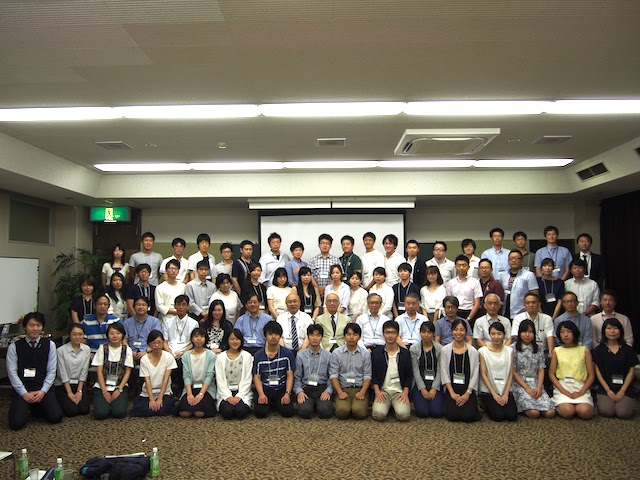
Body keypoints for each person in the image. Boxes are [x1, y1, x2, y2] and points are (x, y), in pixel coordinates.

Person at [7, 312, 63, 430]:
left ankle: (34, 407)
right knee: (16, 424)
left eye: (38, 325)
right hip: (23, 389)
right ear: (25, 327)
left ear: (42, 327)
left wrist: (43, 391)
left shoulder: (50, 345)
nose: (35, 329)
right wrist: (24, 393)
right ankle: (28, 406)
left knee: (56, 417)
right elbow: (12, 373)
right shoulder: (14, 347)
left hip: (41, 387)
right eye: (31, 325)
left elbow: (51, 371)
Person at [592, 318, 638, 419]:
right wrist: (608, 390)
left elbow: (631, 371)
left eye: (615, 328)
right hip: (605, 386)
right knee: (607, 411)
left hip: (625, 387)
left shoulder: (628, 350)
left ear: (620, 331)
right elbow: (598, 371)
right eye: (609, 328)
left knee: (624, 413)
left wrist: (622, 391)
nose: (612, 331)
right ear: (604, 331)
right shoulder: (599, 350)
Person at [549, 321, 595, 419]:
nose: (565, 335)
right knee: (568, 412)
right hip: (563, 386)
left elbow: (591, 375)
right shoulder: (557, 351)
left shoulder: (584, 350)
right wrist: (563, 390)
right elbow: (551, 374)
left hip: (580, 385)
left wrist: (581, 392)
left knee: (585, 412)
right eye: (562, 332)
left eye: (569, 331)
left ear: (574, 333)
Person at [510, 319, 556, 418]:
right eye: (524, 332)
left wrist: (539, 387)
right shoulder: (512, 348)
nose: (527, 335)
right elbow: (513, 371)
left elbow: (541, 369)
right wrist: (527, 388)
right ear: (519, 333)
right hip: (520, 384)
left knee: (550, 413)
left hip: (535, 383)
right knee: (534, 413)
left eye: (530, 332)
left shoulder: (539, 348)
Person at [252, 321, 296, 418]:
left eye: (276, 334)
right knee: (260, 413)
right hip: (265, 388)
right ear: (265, 336)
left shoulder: (287, 354)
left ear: (280, 336)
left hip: (281, 388)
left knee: (288, 412)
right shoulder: (258, 355)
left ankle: (275, 403)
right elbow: (257, 377)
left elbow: (290, 376)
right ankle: (272, 403)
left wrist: (287, 393)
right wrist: (261, 394)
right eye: (270, 334)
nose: (273, 337)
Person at [440, 319, 481, 423]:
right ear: (451, 331)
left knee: (468, 416)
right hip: (452, 388)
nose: (458, 333)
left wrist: (467, 393)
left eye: (462, 330)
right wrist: (452, 393)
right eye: (456, 329)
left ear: (466, 332)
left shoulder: (473, 351)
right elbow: (444, 373)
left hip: (467, 389)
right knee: (452, 416)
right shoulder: (445, 350)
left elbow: (475, 374)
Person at [371, 320, 412, 422]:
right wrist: (377, 392)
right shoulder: (377, 353)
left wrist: (405, 392)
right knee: (379, 415)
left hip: (399, 392)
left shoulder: (405, 353)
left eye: (393, 333)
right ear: (383, 334)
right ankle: (388, 406)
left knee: (404, 415)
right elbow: (374, 375)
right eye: (387, 332)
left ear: (398, 334)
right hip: (383, 392)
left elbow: (409, 375)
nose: (390, 336)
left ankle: (394, 407)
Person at [329, 323, 372, 420]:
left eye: (355, 334)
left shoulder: (365, 353)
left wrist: (362, 392)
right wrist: (340, 392)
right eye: (348, 334)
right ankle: (345, 404)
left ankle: (356, 405)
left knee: (359, 412)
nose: (351, 337)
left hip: (359, 388)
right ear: (344, 337)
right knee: (342, 412)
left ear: (359, 337)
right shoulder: (336, 353)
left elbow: (367, 375)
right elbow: (333, 375)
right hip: (343, 389)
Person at [130, 329, 177, 417]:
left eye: (159, 342)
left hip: (164, 392)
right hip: (148, 392)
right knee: (144, 410)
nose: (157, 345)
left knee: (163, 410)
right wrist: (151, 400)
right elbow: (147, 380)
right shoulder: (144, 359)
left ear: (163, 343)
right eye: (154, 343)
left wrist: (159, 398)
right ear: (149, 344)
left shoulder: (169, 357)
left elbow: (166, 379)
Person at [92, 322, 134, 420]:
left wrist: (119, 389)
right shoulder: (102, 349)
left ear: (122, 335)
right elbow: (99, 371)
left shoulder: (127, 350)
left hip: (119, 385)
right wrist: (104, 391)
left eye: (118, 333)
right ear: (107, 335)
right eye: (112, 333)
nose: (115, 336)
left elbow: (127, 371)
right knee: (100, 414)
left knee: (119, 413)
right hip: (102, 386)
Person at [478, 323, 518, 422]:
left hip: (505, 389)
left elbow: (511, 373)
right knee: (498, 416)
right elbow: (483, 374)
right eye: (493, 334)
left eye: (499, 334)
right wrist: (494, 394)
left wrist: (506, 393)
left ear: (504, 335)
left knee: (511, 416)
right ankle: (483, 403)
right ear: (489, 335)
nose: (496, 337)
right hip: (489, 391)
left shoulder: (509, 351)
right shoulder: (482, 351)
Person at [294, 324, 334, 419]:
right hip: (306, 388)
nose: (315, 338)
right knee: (304, 412)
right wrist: (299, 392)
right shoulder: (301, 356)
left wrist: (328, 391)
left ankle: (319, 405)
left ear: (322, 337)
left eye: (318, 335)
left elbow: (332, 376)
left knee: (325, 412)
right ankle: (311, 405)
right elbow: (297, 378)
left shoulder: (328, 356)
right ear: (308, 337)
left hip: (322, 388)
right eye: (312, 335)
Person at [177, 328, 217, 418]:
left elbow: (209, 375)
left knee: (199, 413)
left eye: (202, 336)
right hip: (190, 388)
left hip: (206, 389)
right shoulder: (186, 356)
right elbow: (186, 375)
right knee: (184, 413)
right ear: (192, 339)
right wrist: (189, 394)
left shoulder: (211, 355)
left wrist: (201, 394)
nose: (199, 339)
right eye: (196, 336)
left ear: (205, 338)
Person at [163, 295, 198, 394]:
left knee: (183, 363)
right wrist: (170, 353)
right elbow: (165, 342)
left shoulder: (194, 323)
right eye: (178, 305)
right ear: (175, 306)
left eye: (184, 305)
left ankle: (182, 390)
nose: (181, 307)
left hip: (186, 351)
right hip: (170, 351)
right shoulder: (168, 322)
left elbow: (193, 343)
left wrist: (183, 353)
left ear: (188, 307)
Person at [215, 329, 254, 420]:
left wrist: (239, 396)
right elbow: (219, 380)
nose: (235, 342)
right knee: (227, 412)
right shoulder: (220, 357)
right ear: (227, 340)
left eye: (237, 339)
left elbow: (248, 379)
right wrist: (228, 396)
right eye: (232, 339)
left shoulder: (247, 356)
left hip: (242, 392)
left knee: (240, 412)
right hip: (225, 392)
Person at [55, 323, 91, 417]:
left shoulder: (86, 349)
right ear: (69, 335)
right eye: (74, 334)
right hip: (63, 385)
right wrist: (70, 393)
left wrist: (79, 391)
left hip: (78, 384)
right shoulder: (61, 350)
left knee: (84, 409)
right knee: (72, 411)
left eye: (80, 334)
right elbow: (62, 373)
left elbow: (84, 371)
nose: (78, 337)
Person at [410, 320, 444, 418]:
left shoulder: (440, 349)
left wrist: (434, 388)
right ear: (420, 333)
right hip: (420, 383)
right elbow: (415, 370)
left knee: (437, 413)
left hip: (435, 382)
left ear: (433, 334)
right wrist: (422, 389)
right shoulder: (414, 348)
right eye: (423, 332)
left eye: (429, 332)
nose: (426, 335)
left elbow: (440, 370)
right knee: (423, 413)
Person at [498, 249, 539, 319]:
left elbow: (535, 295)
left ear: (522, 260)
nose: (513, 260)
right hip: (505, 312)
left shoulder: (529, 275)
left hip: (522, 313)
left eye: (516, 258)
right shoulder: (504, 275)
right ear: (508, 261)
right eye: (511, 259)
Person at [123, 297, 162, 363]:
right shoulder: (127, 322)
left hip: (149, 353)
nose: (141, 307)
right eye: (138, 305)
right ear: (134, 307)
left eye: (143, 305)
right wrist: (130, 352)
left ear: (148, 307)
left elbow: (157, 341)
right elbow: (124, 341)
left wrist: (146, 352)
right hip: (130, 354)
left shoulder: (155, 322)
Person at [445, 255, 482, 323]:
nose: (461, 268)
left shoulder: (475, 282)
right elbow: (448, 301)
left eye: (464, 265)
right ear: (455, 267)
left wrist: (468, 319)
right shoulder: (451, 283)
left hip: (470, 313)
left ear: (468, 267)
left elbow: (477, 303)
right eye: (459, 265)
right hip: (455, 313)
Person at [155, 258, 187, 328]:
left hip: (181, 318)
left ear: (178, 271)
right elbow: (159, 306)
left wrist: (180, 311)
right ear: (166, 270)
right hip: (165, 319)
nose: (173, 271)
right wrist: (176, 311)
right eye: (171, 268)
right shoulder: (160, 287)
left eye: (176, 269)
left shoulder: (183, 286)